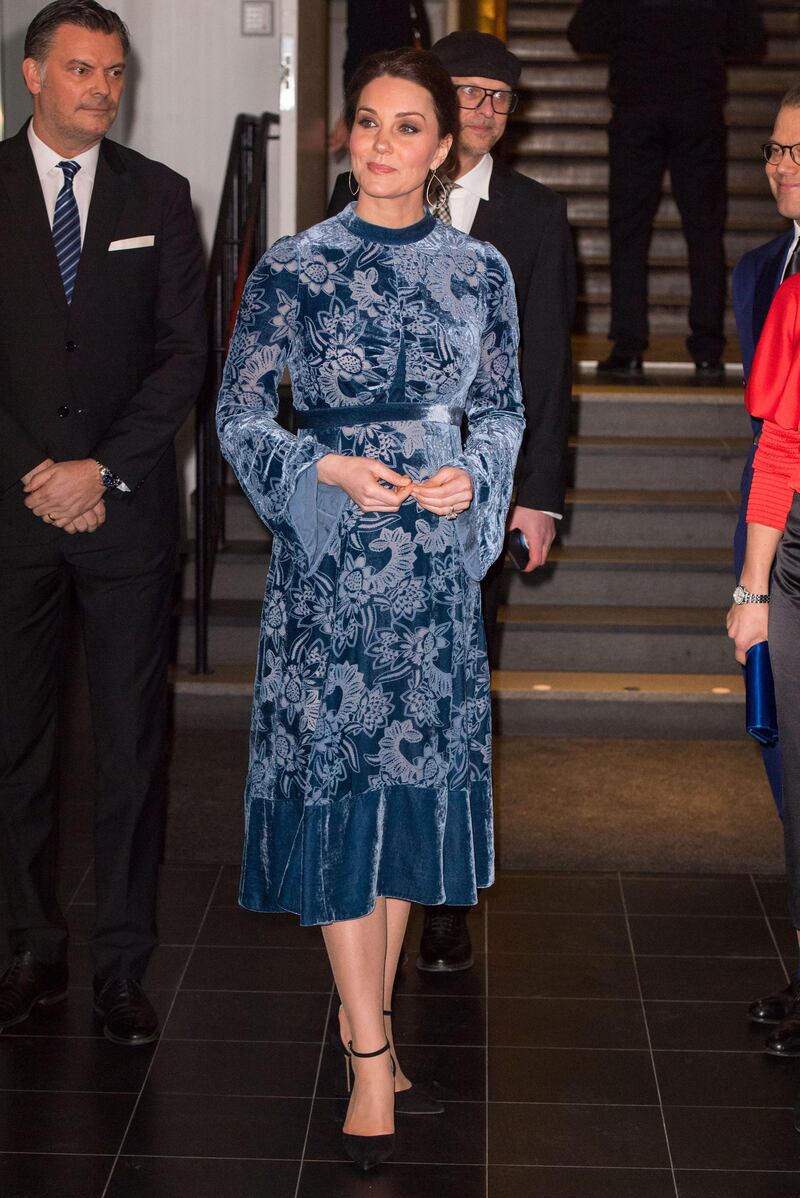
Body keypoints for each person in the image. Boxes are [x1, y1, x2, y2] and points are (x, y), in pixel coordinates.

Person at [217, 47, 523, 1170]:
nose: (382, 144)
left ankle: (377, 1034)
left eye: (407, 127)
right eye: (367, 123)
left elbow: (499, 411)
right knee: (344, 792)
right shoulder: (291, 268)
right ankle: (363, 1053)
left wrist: (470, 480)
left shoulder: (480, 271)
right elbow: (240, 416)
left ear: (443, 146)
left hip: (434, 573)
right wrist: (324, 469)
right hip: (334, 572)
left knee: (400, 803)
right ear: (346, 137)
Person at [329, 29, 575, 974]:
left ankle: (436, 904)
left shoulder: (536, 217)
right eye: (467, 92)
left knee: (447, 704)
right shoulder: (358, 200)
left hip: (475, 498)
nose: (483, 111)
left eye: (500, 99)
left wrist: (535, 494)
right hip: (369, 505)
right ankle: (366, 900)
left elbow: (545, 368)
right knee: (368, 710)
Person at [0, 1, 206, 1046]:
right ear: (32, 74)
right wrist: (37, 469)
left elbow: (183, 356)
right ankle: (29, 948)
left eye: (113, 72)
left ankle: (122, 966)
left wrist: (102, 472)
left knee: (132, 751)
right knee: (16, 748)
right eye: (80, 68)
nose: (100, 88)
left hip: (123, 520)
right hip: (10, 512)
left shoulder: (159, 197)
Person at [567, 0, 766, 378]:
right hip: (698, 109)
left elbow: (582, 34)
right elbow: (750, 37)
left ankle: (628, 347)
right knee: (705, 232)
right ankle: (707, 351)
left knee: (628, 232)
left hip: (637, 107)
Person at [731, 87, 800, 1051]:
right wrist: (753, 585)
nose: (784, 164)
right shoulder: (778, 281)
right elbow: (778, 446)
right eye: (776, 147)